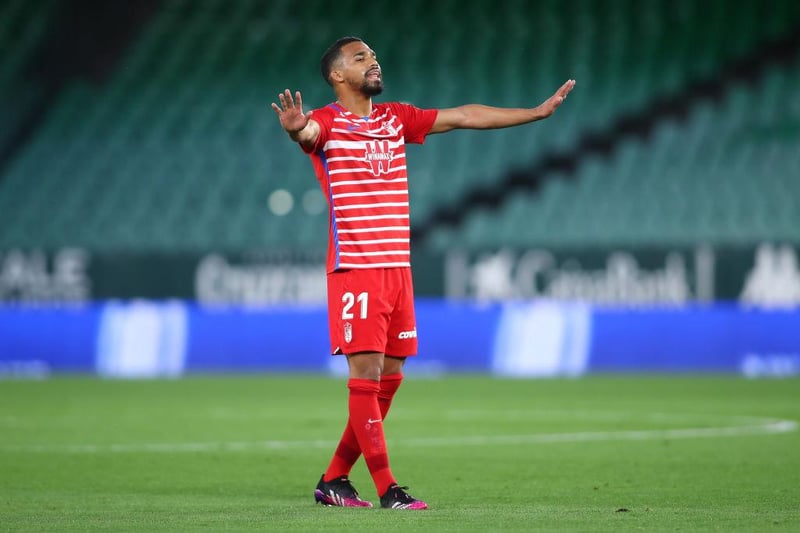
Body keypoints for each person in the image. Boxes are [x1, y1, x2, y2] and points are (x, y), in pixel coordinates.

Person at [271, 36, 575, 510]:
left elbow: (464, 116)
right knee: (366, 373)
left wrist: (532, 114)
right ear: (337, 76)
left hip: (397, 269)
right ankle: (389, 488)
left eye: (373, 55)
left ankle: (334, 479)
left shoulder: (396, 118)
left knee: (391, 376)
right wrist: (295, 130)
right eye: (360, 58)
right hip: (358, 267)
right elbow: (309, 135)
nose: (373, 62)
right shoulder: (329, 123)